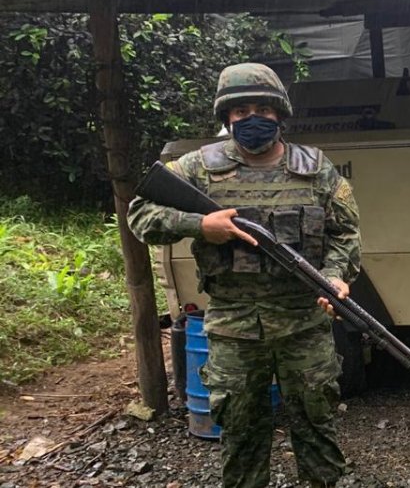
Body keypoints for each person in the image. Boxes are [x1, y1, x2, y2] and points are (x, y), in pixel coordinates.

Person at [128, 63, 360, 488]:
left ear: (279, 113)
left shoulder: (316, 168)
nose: (253, 118)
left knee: (316, 425)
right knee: (240, 432)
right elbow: (140, 215)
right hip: (234, 326)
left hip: (303, 324)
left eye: (263, 109)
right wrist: (201, 226)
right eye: (241, 110)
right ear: (227, 116)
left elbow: (345, 233)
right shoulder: (197, 168)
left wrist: (335, 277)